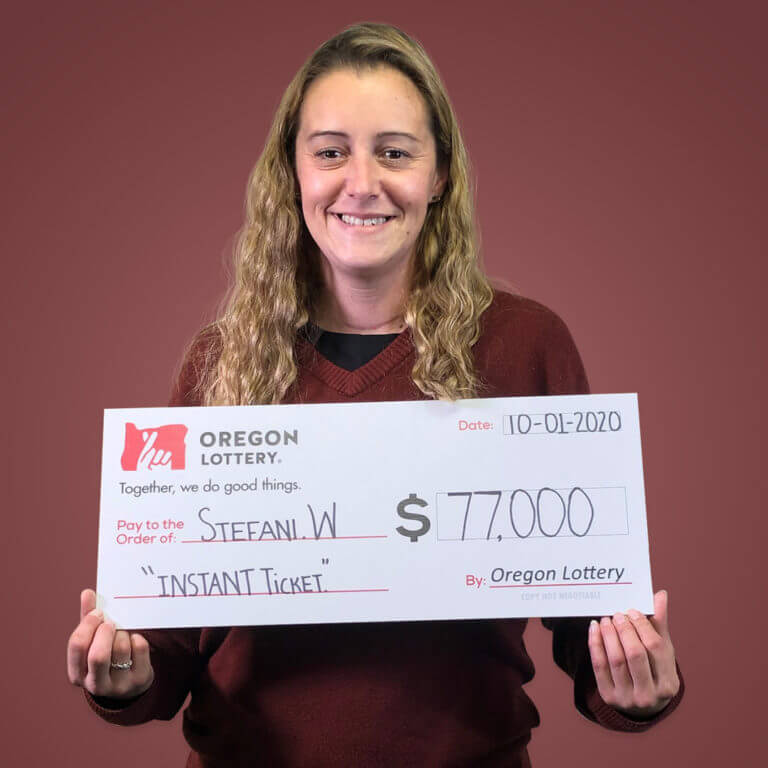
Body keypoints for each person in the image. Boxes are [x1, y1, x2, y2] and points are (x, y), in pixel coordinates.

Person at [67, 22, 684, 767]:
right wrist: (125, 673)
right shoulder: (220, 362)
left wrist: (632, 680)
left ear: (440, 174)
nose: (362, 183)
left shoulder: (526, 346)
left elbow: (590, 611)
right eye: (331, 152)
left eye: (395, 152)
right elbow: (164, 644)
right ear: (292, 173)